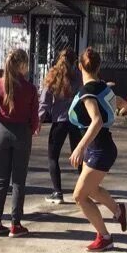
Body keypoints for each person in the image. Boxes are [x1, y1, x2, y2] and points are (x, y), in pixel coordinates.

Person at [68, 47, 127, 251]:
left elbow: (96, 121)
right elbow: (117, 100)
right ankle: (118, 210)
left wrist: (79, 147)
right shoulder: (103, 87)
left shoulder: (87, 93)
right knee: (92, 189)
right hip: (102, 147)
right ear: (99, 67)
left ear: (80, 67)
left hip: (98, 149)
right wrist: (126, 106)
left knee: (79, 196)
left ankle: (104, 237)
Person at [0, 48, 39, 237]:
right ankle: (15, 223)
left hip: (2, 132)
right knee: (18, 180)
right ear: (22, 66)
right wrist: (33, 128)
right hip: (21, 133)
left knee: (1, 178)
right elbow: (34, 118)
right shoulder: (29, 88)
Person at [39, 48, 83, 205]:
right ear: (75, 60)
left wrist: (39, 120)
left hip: (59, 120)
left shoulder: (54, 74)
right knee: (78, 155)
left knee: (53, 157)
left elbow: (44, 100)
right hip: (76, 120)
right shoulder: (79, 74)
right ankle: (84, 191)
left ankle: (57, 192)